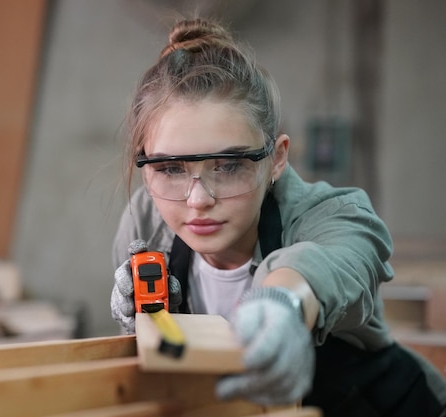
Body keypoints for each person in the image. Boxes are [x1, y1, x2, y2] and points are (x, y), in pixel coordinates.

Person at [109, 17, 446, 417]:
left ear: (277, 158)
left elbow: (332, 260)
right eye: (170, 169)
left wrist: (282, 304)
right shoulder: (145, 226)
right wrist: (140, 326)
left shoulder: (335, 215)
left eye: (228, 165)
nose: (197, 200)